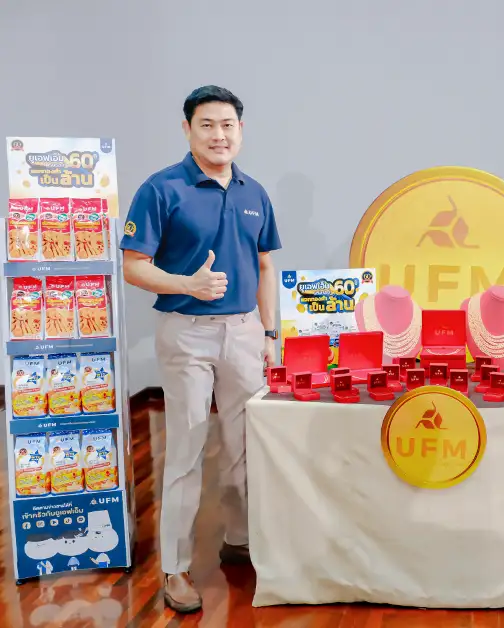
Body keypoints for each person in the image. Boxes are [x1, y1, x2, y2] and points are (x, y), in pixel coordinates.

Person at [120, 85, 282, 613]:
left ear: (241, 130)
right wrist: (186, 284)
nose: (219, 135)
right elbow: (133, 266)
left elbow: (265, 266)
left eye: (227, 125)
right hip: (186, 331)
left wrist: (270, 334)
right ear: (187, 129)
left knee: (244, 444)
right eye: (207, 124)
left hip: (244, 332)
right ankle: (176, 567)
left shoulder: (255, 192)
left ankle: (240, 540)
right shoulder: (161, 188)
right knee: (187, 448)